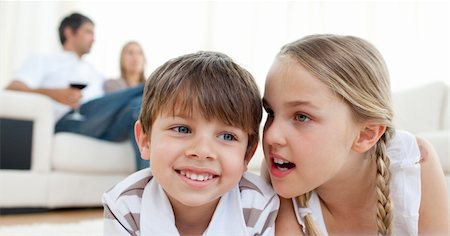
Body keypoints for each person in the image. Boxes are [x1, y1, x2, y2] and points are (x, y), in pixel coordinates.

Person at [261, 34, 449, 235]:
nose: (271, 135)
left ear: (366, 135)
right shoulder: (281, 174)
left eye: (302, 117)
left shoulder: (412, 165)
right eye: (270, 112)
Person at [102, 51, 279, 235]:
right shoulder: (124, 205)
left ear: (247, 155)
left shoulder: (258, 204)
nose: (202, 151)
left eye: (227, 136)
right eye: (182, 129)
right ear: (146, 141)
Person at [6, 12, 147, 170]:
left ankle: (148, 187)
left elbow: (110, 103)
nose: (93, 39)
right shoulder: (44, 60)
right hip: (69, 121)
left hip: (101, 124)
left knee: (137, 107)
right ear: (69, 32)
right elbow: (13, 87)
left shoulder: (94, 72)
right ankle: (152, 85)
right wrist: (54, 94)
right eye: (88, 32)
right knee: (144, 90)